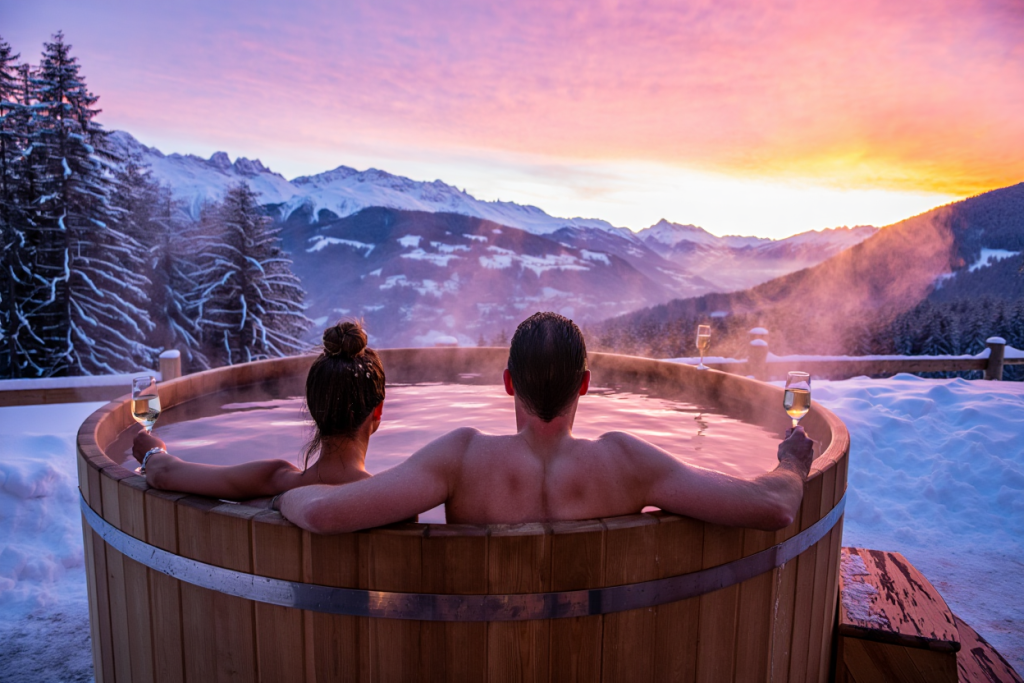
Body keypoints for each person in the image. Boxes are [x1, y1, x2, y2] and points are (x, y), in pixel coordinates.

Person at [276, 312, 815, 533]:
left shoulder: (461, 459)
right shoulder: (626, 462)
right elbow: (772, 506)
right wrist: (791, 462)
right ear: (585, 384)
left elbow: (324, 515)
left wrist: (282, 496)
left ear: (508, 383)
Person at [132, 321, 384, 503]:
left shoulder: (272, 480)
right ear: (378, 411)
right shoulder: (386, 498)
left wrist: (153, 452)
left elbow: (164, 474)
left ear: (313, 408)